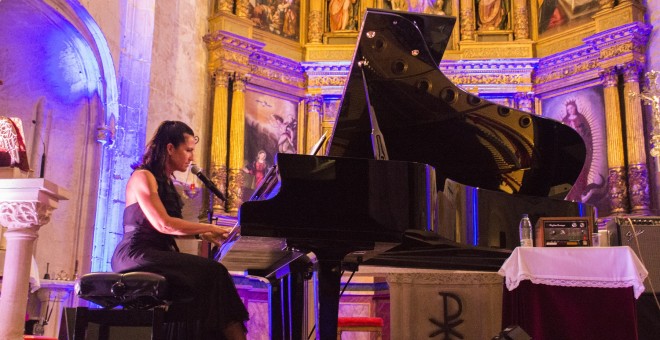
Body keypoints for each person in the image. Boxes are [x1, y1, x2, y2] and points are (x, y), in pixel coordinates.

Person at [111, 121, 249, 340]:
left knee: (204, 290)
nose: (192, 157)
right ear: (169, 148)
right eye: (188, 150)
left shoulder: (164, 181)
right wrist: (208, 227)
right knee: (215, 273)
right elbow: (163, 224)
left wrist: (202, 234)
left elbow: (166, 227)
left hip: (153, 253)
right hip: (136, 254)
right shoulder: (142, 176)